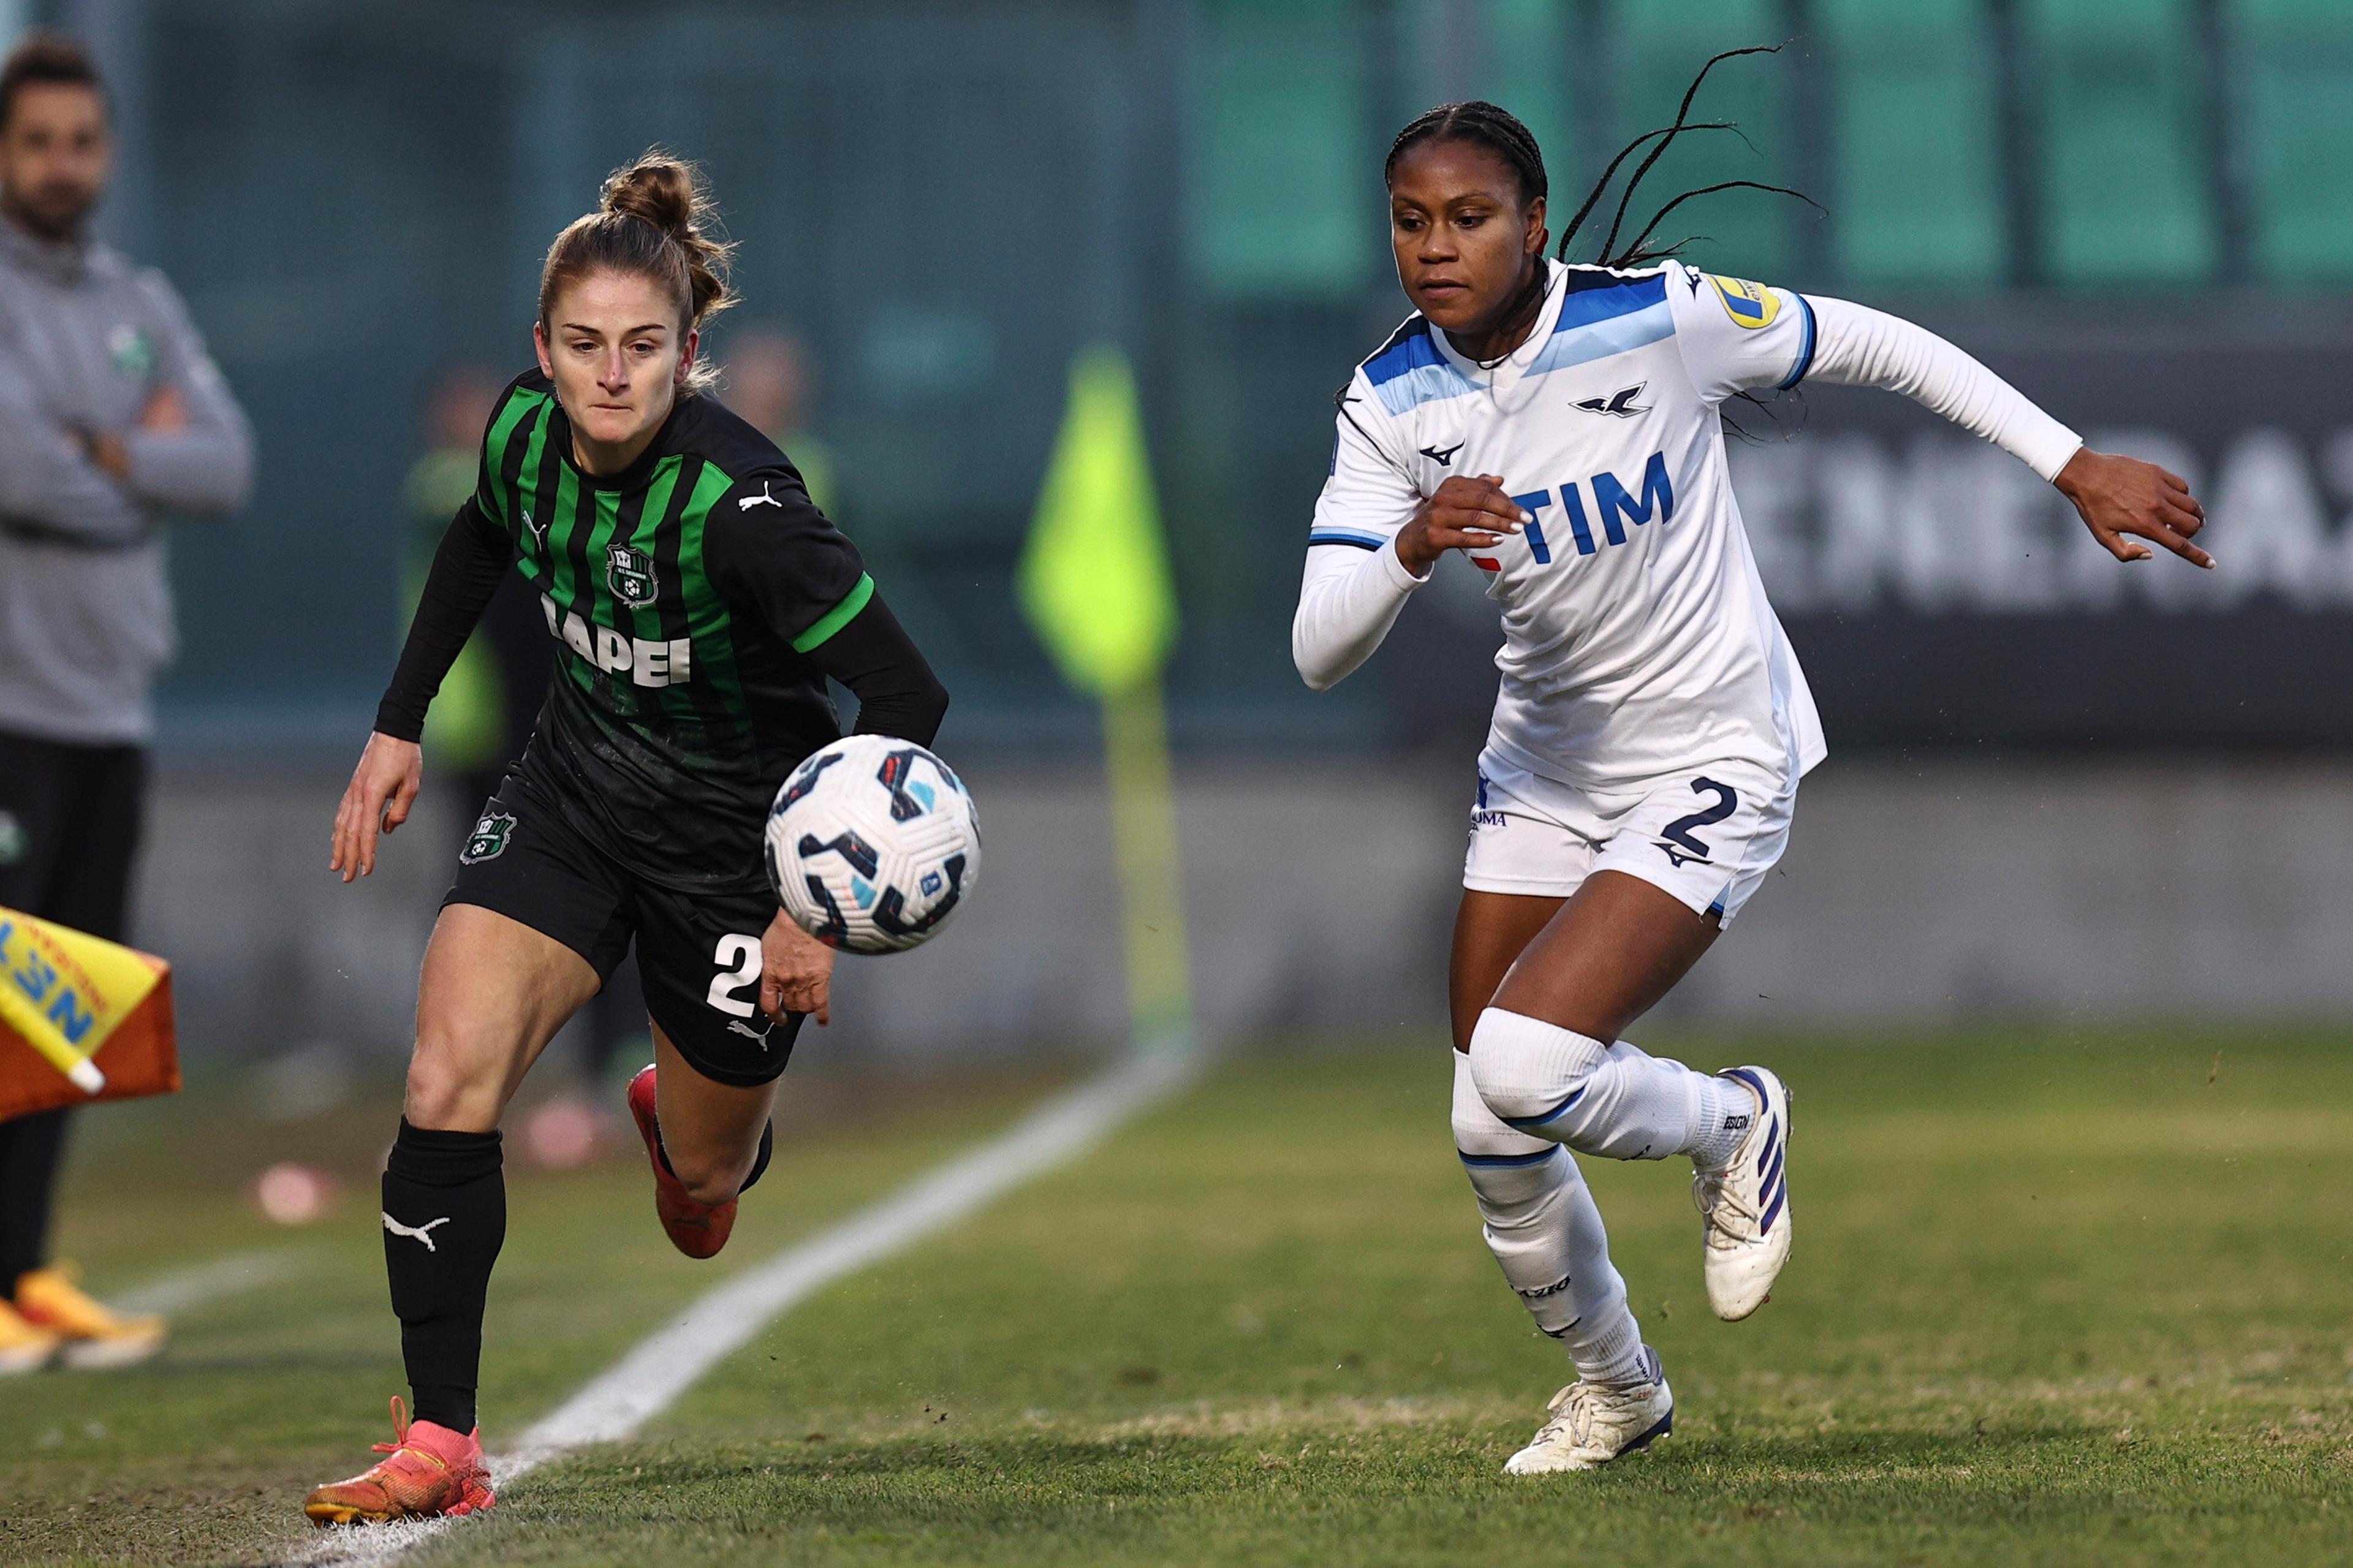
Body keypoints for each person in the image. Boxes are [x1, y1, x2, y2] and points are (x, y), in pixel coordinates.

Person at [1292, 94, 2210, 1475]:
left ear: (1534, 226)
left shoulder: (1660, 317)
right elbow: (1318, 647)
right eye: (1413, 221)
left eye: (1471, 218)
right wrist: (1415, 541)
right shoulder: (1390, 399)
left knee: (1531, 1062)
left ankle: (1736, 1116)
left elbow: (1881, 346)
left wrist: (2070, 463)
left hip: (1716, 744)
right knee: (1488, 1109)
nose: (1438, 247)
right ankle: (1620, 1390)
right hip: (1544, 764)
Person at [305, 152, 948, 1525]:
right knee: (444, 1069)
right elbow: (482, 537)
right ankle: (439, 1437)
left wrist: (808, 909)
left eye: (643, 349)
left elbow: (906, 694)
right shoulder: (520, 433)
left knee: (706, 1188)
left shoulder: (748, 510)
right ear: (543, 349)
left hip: (733, 852)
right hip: (574, 798)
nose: (611, 375)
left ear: (688, 352)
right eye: (584, 346)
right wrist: (398, 721)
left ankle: (690, 1135)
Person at [0, 30, 252, 1374]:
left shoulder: (135, 293)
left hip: (112, 703)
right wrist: (131, 452)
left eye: (79, 141)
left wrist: (101, 449)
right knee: (0, 1005)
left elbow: (224, 463)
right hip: (9, 702)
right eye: (35, 140)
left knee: (66, 1011)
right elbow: (19, 471)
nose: (59, 165)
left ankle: (25, 1274)